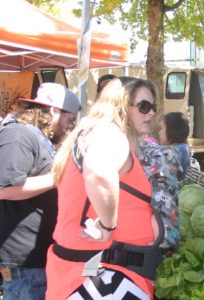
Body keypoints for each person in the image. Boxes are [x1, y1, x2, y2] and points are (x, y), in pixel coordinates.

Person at [46, 77, 161, 299]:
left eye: (153, 107)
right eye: (143, 106)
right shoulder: (111, 134)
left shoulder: (90, 134)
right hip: (103, 279)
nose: (151, 113)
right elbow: (98, 171)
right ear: (120, 105)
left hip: (88, 273)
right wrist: (108, 226)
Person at [0, 83, 81, 300]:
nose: (69, 126)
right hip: (24, 262)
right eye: (69, 120)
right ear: (54, 110)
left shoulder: (39, 137)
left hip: (39, 259)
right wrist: (57, 178)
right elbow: (5, 189)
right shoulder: (19, 134)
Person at [138, 112, 190, 250]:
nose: (159, 133)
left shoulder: (174, 152)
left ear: (172, 131)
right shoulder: (183, 148)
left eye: (161, 129)